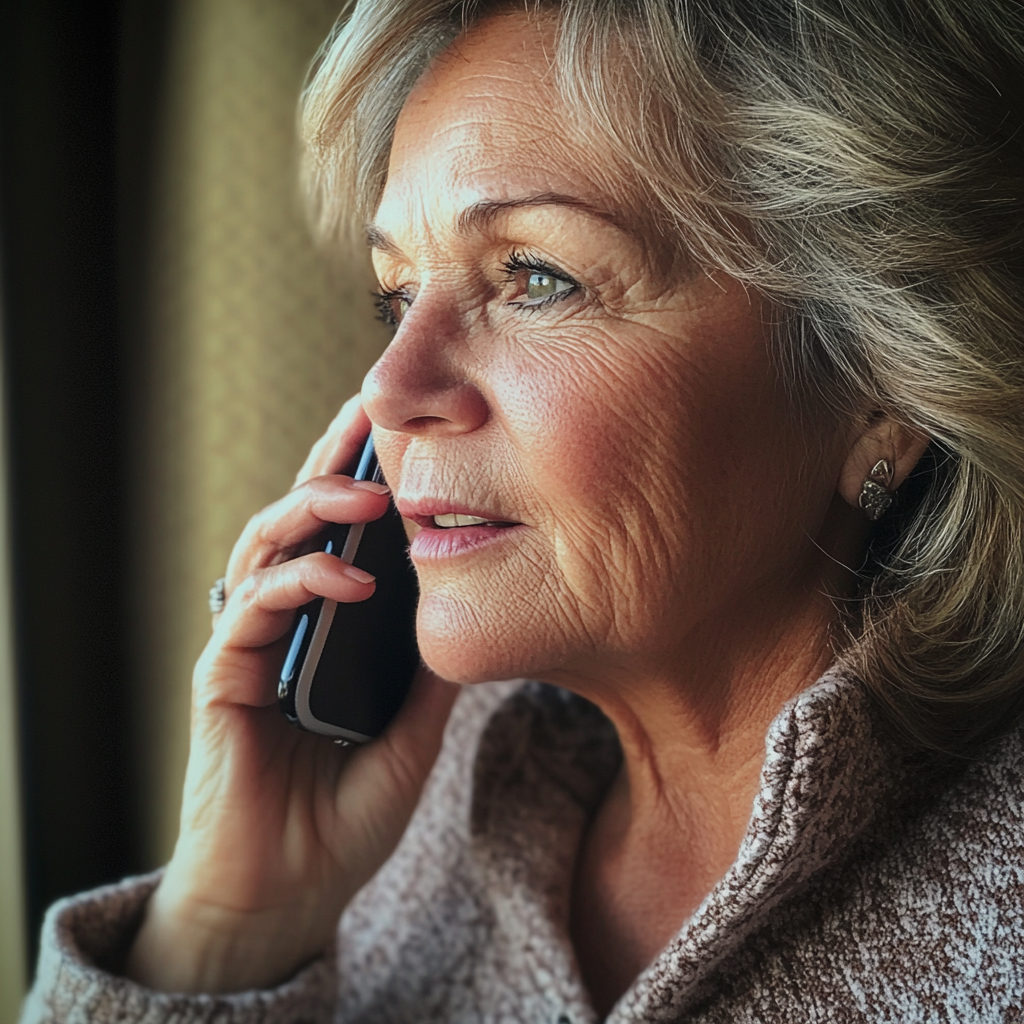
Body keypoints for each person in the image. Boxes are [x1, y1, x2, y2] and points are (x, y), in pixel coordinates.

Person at [22, 1, 1024, 1021]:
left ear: (879, 387)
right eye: (397, 296)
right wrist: (225, 929)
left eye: (533, 277)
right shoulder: (417, 820)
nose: (387, 386)